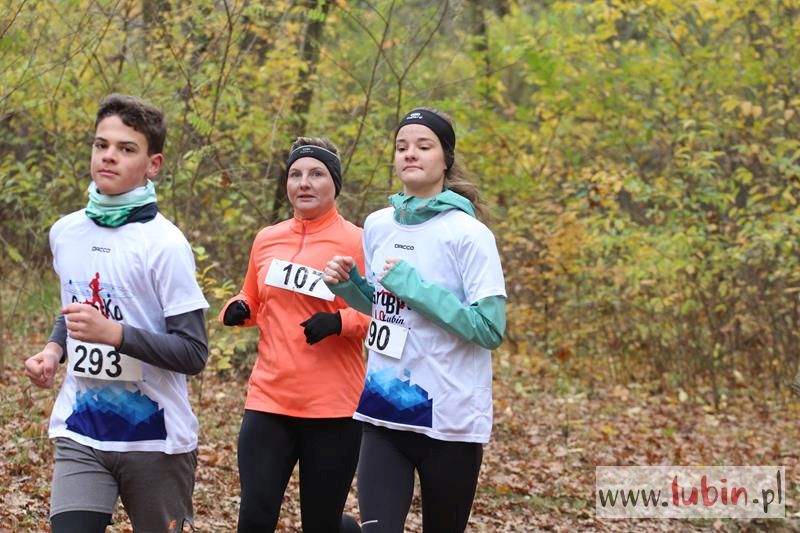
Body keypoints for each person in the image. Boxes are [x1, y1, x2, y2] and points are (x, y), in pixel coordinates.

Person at [23, 94, 210, 533]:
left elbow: (193, 353)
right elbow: (75, 308)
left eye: (126, 148)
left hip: (156, 440)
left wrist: (115, 334)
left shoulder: (165, 245)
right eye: (101, 145)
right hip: (81, 430)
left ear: (153, 164)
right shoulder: (65, 232)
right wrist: (53, 350)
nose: (109, 156)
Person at [324, 107, 507, 533]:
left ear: (446, 159)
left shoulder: (468, 233)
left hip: (450, 420)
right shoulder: (378, 224)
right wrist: (351, 287)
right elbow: (388, 310)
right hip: (383, 412)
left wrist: (416, 288)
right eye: (401, 146)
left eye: (423, 146)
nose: (410, 153)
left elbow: (489, 328)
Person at [220, 137, 369, 533]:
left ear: (335, 183)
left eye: (316, 174)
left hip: (333, 406)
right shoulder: (267, 238)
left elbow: (381, 315)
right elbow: (253, 296)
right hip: (269, 399)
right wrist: (238, 308)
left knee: (321, 524)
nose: (304, 183)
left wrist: (339, 322)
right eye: (296, 174)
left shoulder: (358, 240)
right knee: (255, 516)